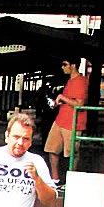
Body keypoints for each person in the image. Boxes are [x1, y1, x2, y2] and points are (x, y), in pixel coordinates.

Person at [43, 59, 88, 188]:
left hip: (73, 123)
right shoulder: (70, 80)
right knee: (52, 149)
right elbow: (71, 100)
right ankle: (55, 180)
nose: (62, 67)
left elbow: (80, 103)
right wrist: (59, 102)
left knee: (72, 153)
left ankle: (71, 182)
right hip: (60, 120)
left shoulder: (81, 81)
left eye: (65, 64)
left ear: (73, 65)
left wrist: (62, 97)